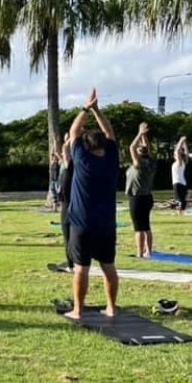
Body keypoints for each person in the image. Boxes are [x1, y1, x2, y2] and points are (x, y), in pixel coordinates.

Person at [65, 88, 119, 319]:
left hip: (82, 224)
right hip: (106, 225)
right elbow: (110, 132)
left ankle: (78, 310)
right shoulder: (111, 159)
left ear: (86, 147)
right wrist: (97, 111)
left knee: (81, 268)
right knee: (108, 266)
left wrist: (86, 108)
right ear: (104, 146)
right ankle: (111, 308)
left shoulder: (82, 158)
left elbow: (74, 131)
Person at [126, 123, 157, 258]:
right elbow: (146, 149)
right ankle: (148, 251)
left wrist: (139, 133)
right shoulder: (150, 162)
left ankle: (139, 253)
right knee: (146, 226)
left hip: (137, 198)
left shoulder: (139, 164)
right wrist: (144, 135)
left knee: (138, 228)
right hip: (147, 197)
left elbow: (131, 147)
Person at [58, 133, 74, 270]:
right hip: (74, 203)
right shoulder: (83, 164)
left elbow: (65, 148)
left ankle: (71, 264)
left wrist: (72, 136)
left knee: (68, 236)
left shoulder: (72, 165)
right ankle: (74, 262)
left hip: (69, 205)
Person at [172, 136, 189, 216]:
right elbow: (186, 153)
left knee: (179, 199)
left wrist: (181, 141)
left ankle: (180, 213)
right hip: (182, 183)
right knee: (181, 199)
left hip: (178, 183)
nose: (175, 154)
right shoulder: (183, 162)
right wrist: (184, 143)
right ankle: (181, 212)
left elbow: (178, 151)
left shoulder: (179, 162)